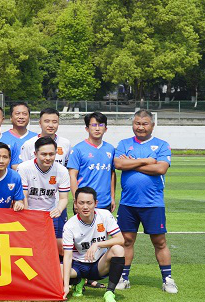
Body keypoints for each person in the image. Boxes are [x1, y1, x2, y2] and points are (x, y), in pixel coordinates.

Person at [113, 110, 176, 293]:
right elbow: (119, 164)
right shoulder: (124, 144)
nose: (140, 127)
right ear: (133, 124)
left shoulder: (162, 145)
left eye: (145, 123)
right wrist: (147, 161)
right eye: (137, 123)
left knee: (159, 242)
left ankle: (167, 279)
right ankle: (123, 278)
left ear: (152, 125)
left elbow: (161, 169)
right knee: (126, 241)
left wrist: (133, 163)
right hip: (128, 203)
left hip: (153, 203)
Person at [62, 187, 125, 302]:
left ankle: (110, 292)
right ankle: (77, 281)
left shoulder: (105, 215)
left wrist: (98, 244)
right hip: (77, 266)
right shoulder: (69, 226)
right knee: (54, 271)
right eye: (81, 203)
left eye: (89, 203)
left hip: (98, 266)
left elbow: (120, 239)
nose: (85, 207)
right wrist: (65, 285)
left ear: (95, 203)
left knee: (118, 249)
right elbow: (67, 256)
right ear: (75, 204)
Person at [18, 137, 71, 248]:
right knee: (29, 246)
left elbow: (64, 198)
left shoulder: (62, 171)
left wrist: (59, 209)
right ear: (35, 154)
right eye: (44, 154)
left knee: (53, 247)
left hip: (50, 214)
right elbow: (24, 196)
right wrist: (27, 216)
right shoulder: (23, 168)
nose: (48, 158)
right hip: (29, 213)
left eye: (51, 154)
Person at [68, 112, 117, 211]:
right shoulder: (78, 149)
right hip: (84, 204)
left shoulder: (110, 149)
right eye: (94, 125)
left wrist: (112, 197)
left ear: (106, 129)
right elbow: (72, 176)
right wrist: (76, 200)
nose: (97, 128)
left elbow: (112, 173)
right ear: (87, 128)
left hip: (105, 203)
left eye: (101, 125)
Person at [1, 102, 37, 169]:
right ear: (11, 117)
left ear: (29, 117)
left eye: (24, 114)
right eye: (17, 114)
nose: (21, 117)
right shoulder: (1, 139)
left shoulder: (37, 138)